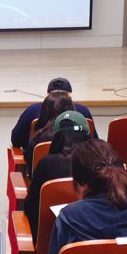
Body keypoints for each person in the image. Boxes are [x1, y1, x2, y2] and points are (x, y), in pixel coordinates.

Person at [24, 111, 92, 240]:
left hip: (49, 240)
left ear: (56, 137)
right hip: (95, 240)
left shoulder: (46, 164)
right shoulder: (100, 165)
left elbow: (31, 207)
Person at [10, 77, 94, 149]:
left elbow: (16, 140)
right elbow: (93, 141)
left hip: (39, 162)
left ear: (47, 95)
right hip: (78, 162)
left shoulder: (31, 110)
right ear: (70, 96)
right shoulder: (83, 112)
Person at [24, 92, 74, 175]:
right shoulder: (83, 138)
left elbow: (30, 167)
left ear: (44, 112)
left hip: (42, 181)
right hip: (79, 182)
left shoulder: (38, 139)